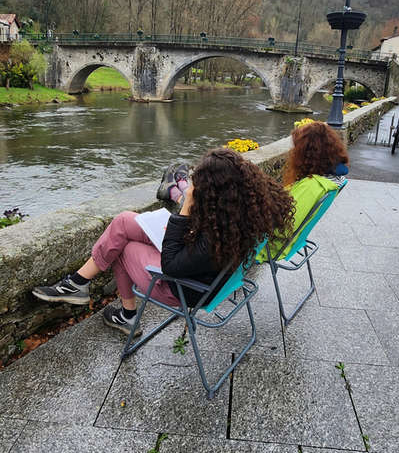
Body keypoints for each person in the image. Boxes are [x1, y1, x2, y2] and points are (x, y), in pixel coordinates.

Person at [33, 148, 294, 335]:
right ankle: (78, 283)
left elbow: (170, 266)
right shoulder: (241, 215)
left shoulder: (218, 236)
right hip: (205, 275)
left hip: (185, 289)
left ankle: (123, 313)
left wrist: (185, 208)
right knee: (124, 221)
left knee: (123, 248)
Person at [263, 121, 350, 259]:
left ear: (307, 154)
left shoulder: (312, 186)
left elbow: (285, 228)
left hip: (267, 247)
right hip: (285, 242)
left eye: (296, 149)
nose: (293, 153)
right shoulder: (330, 180)